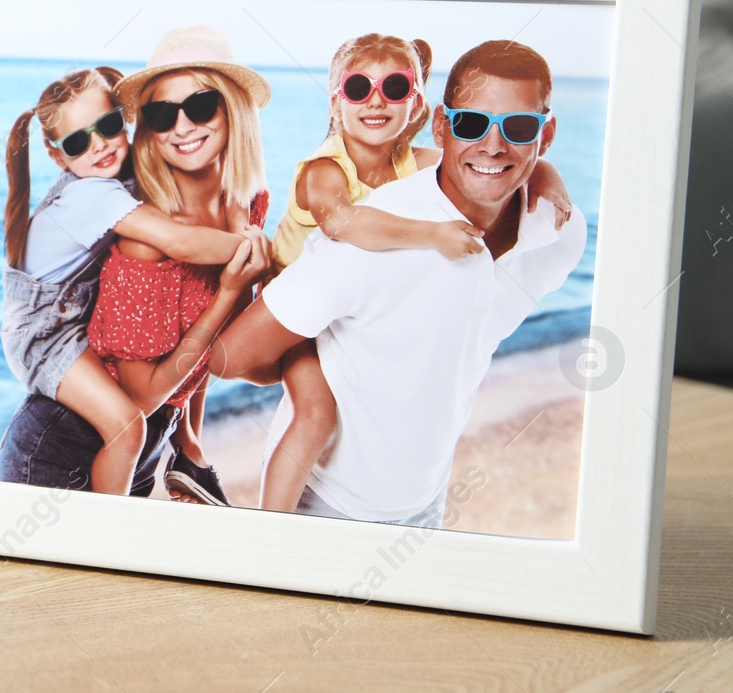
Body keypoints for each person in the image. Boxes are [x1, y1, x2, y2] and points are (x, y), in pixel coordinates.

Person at [211, 39, 586, 527]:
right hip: (329, 507)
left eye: (518, 127)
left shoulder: (559, 232)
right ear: (443, 126)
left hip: (426, 499)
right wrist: (312, 352)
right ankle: (264, 532)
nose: (493, 145)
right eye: (473, 124)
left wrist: (546, 176)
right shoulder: (358, 228)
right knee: (314, 416)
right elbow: (228, 356)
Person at [0, 66, 262, 495]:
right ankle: (112, 527)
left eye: (108, 126)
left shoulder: (121, 180)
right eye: (79, 141)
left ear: (127, 120)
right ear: (57, 157)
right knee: (126, 427)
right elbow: (181, 243)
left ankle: (185, 446)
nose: (100, 145)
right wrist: (259, 254)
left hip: (67, 322)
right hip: (43, 338)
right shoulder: (90, 195)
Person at [84, 25, 275, 506]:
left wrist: (189, 442)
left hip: (156, 443)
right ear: (148, 128)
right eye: (163, 115)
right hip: (83, 449)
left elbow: (209, 353)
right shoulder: (145, 239)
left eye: (201, 106)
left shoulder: (248, 203)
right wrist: (231, 292)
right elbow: (142, 398)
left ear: (233, 109)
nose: (183, 127)